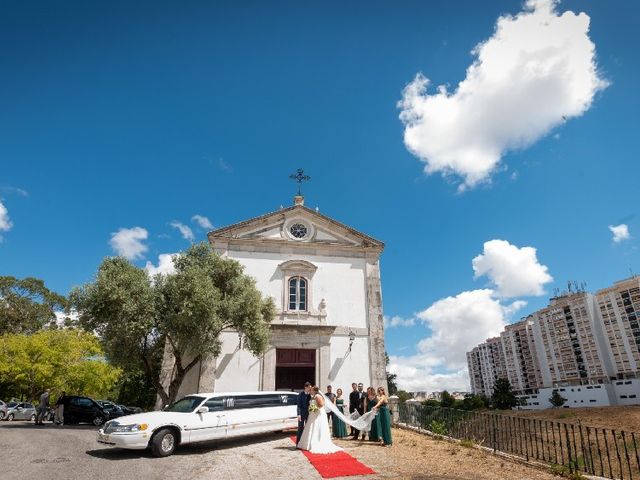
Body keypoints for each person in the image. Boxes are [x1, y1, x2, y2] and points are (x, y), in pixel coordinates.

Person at [297, 386, 342, 454]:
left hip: (317, 414)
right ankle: (308, 443)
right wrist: (311, 408)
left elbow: (321, 404)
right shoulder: (313, 396)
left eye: (311, 390)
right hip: (312, 415)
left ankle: (316, 442)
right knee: (311, 428)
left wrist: (315, 409)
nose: (310, 391)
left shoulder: (318, 396)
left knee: (316, 427)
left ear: (315, 391)